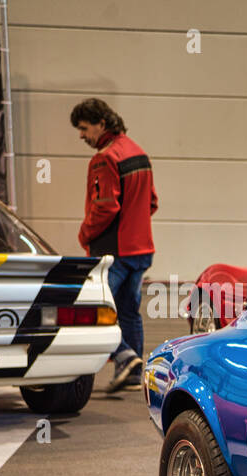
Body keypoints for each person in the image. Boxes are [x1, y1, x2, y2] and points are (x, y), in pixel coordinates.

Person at [73, 98, 157, 392]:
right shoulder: (140, 154)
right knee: (129, 310)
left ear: (102, 124)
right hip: (142, 249)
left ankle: (125, 356)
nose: (82, 136)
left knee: (95, 307)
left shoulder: (104, 158)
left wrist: (84, 233)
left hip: (114, 252)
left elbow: (105, 207)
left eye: (84, 129)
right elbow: (152, 202)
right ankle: (134, 375)